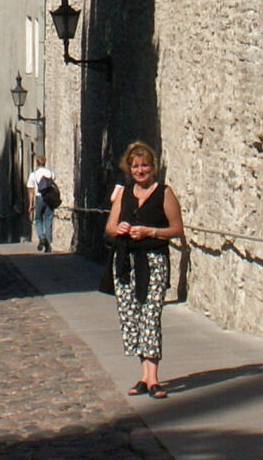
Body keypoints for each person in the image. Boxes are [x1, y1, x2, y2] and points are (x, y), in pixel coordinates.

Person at [104, 141, 183, 399]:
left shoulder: (164, 193)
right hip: (127, 263)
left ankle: (154, 378)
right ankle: (143, 376)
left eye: (145, 166)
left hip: (153, 262)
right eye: (136, 166)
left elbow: (177, 229)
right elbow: (109, 228)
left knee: (151, 316)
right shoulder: (124, 194)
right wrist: (120, 230)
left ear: (153, 168)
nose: (140, 171)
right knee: (133, 317)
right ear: (129, 168)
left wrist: (151, 232)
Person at [26, 154, 57, 252]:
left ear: (37, 163)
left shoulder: (33, 175)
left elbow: (31, 191)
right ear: (45, 162)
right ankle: (48, 245)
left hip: (39, 198)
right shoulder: (51, 173)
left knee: (38, 219)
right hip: (50, 198)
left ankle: (41, 237)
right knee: (48, 220)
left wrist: (30, 205)